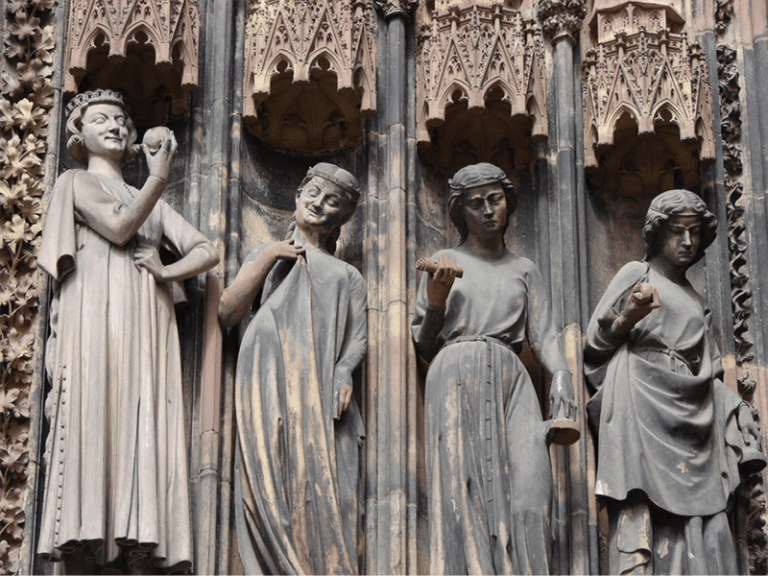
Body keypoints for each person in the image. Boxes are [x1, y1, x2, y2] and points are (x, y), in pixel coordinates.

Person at [37, 89, 219, 574]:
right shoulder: (75, 182)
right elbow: (118, 227)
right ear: (79, 136)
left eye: (121, 119)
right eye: (100, 119)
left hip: (144, 316)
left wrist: (165, 271)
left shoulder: (150, 204)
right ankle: (88, 522)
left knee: (141, 408)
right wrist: (158, 176)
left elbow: (207, 250)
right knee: (97, 400)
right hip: (96, 310)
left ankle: (139, 528)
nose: (115, 125)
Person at [584, 188, 764, 576]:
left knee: (707, 520)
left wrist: (739, 408)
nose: (687, 241)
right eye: (678, 231)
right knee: (640, 500)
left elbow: (710, 376)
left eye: (695, 232)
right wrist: (628, 317)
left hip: (692, 417)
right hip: (641, 400)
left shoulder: (698, 302)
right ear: (657, 233)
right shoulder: (637, 274)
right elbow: (593, 346)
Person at [411, 162, 576, 576]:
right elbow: (424, 344)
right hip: (455, 370)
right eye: (475, 203)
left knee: (532, 495)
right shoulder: (445, 261)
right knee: (462, 491)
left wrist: (561, 375)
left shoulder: (525, 269)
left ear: (508, 203)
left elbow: (545, 335)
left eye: (495, 199)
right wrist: (436, 301)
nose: (487, 210)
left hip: (512, 375)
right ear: (460, 212)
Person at [220, 163, 366, 576]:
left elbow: (357, 337)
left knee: (330, 476)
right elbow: (228, 311)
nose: (319, 204)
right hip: (268, 370)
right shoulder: (266, 254)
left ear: (341, 218)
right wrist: (269, 255)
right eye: (314, 193)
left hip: (320, 378)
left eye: (332, 202)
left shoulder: (348, 274)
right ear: (299, 194)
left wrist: (344, 370)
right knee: (270, 463)